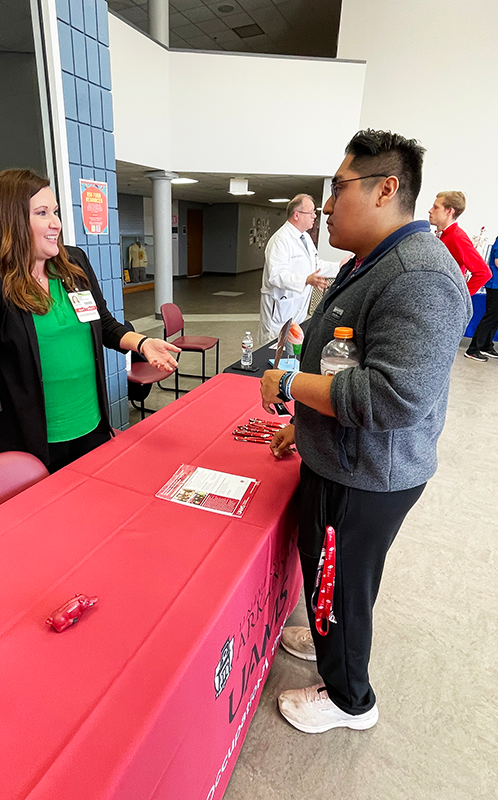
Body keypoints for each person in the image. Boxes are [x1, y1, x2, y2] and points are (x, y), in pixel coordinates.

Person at [260, 130, 471, 734]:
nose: (325, 206)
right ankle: (333, 641)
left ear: (386, 189)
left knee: (342, 578)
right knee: (332, 572)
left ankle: (350, 698)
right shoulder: (368, 264)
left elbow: (393, 395)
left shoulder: (418, 275)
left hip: (368, 472)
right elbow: (343, 362)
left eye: (337, 188)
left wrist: (288, 389)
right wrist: (305, 429)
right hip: (342, 456)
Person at [0, 169, 179, 485]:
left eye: (55, 211)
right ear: (11, 220)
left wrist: (142, 343)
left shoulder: (73, 263)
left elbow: (105, 325)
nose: (55, 222)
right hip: (35, 443)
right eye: (42, 213)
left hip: (92, 428)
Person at [258, 194, 341, 345]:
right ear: (297, 215)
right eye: (311, 212)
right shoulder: (280, 240)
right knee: (273, 351)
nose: (314, 216)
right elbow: (276, 276)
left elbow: (315, 265)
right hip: (280, 310)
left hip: (297, 309)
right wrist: (306, 280)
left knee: (293, 349)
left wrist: (340, 267)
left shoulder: (305, 238)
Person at [428, 191, 491, 308]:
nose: (430, 210)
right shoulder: (442, 236)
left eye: (436, 207)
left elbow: (483, 272)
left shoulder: (457, 237)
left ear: (449, 211)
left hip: (443, 304)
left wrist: (459, 298)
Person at [465, 234, 498, 360]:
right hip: (495, 284)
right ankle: (473, 349)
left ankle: (486, 345)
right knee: (490, 317)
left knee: (495, 318)